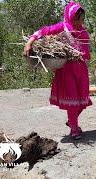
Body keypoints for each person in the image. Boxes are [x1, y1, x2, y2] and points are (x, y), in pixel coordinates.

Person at [24, 2, 92, 140]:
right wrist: (29, 42)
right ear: (70, 17)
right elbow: (43, 32)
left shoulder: (83, 33)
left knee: (83, 101)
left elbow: (86, 52)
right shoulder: (63, 27)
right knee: (72, 99)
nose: (80, 22)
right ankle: (74, 127)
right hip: (67, 71)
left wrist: (84, 58)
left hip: (81, 71)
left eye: (82, 19)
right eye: (77, 19)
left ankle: (72, 121)